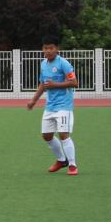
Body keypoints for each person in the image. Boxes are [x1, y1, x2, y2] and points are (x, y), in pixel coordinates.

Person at [27, 36, 79, 176]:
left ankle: (72, 165)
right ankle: (62, 160)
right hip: (50, 106)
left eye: (51, 48)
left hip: (64, 106)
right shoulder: (43, 64)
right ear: (42, 49)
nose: (48, 51)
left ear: (57, 49)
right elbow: (43, 84)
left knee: (63, 134)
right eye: (46, 48)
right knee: (46, 136)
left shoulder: (64, 63)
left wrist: (55, 85)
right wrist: (33, 101)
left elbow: (74, 83)